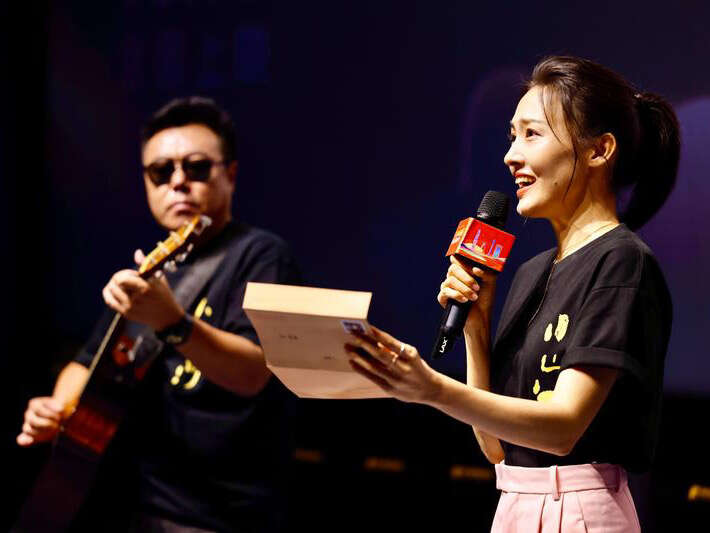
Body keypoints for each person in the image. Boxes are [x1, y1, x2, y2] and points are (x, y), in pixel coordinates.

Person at [345, 56, 678, 532]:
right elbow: (494, 446)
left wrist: (432, 389)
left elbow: (562, 429)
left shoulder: (621, 260)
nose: (510, 156)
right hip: (515, 504)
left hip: (580, 509)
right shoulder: (530, 273)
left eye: (532, 134)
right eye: (511, 136)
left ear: (599, 150)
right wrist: (476, 329)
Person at [17, 96, 300, 532]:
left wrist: (173, 322)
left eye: (197, 168)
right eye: (161, 171)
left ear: (230, 174)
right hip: (129, 502)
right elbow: (87, 362)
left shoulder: (261, 254)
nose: (178, 182)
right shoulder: (154, 268)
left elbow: (253, 374)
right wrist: (57, 408)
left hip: (219, 517)